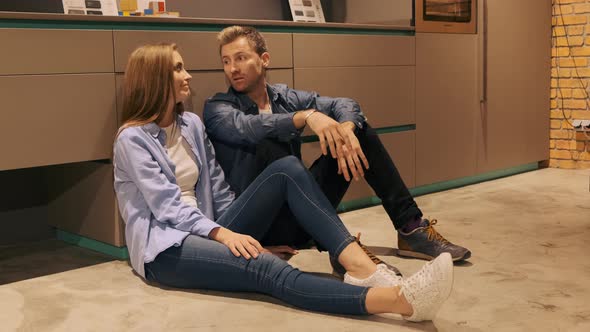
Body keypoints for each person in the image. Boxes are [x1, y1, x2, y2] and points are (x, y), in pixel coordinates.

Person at [113, 43, 454, 322]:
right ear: (156, 79)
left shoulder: (190, 124)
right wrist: (229, 237)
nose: (187, 75)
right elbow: (168, 209)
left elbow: (217, 188)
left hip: (211, 229)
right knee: (266, 270)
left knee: (287, 168)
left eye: (183, 66)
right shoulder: (132, 140)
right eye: (177, 69)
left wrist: (245, 234)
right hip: (167, 248)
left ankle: (362, 265)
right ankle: (398, 300)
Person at [203, 26, 471, 268]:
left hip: (300, 217)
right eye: (226, 61)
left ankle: (411, 229)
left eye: (240, 58)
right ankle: (342, 246)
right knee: (284, 162)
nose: (232, 69)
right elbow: (250, 128)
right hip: (259, 226)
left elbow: (344, 103)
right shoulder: (218, 108)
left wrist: (347, 130)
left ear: (264, 60)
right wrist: (306, 116)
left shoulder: (285, 97)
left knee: (358, 129)